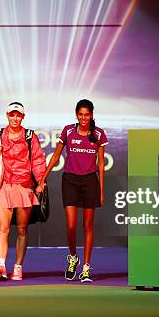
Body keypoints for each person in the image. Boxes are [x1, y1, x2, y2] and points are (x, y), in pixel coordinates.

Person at [39, 99, 108, 283]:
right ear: (76, 115)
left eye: (87, 114)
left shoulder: (99, 134)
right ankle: (73, 258)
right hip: (70, 180)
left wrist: (101, 190)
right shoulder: (68, 130)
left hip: (90, 182)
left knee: (88, 226)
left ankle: (85, 268)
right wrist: (43, 178)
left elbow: (101, 163)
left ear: (91, 115)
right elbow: (55, 155)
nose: (83, 118)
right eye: (80, 114)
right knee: (70, 225)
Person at [0, 102, 46, 281]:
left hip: (24, 187)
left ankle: (18, 266)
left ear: (23, 117)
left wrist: (40, 182)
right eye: (12, 115)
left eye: (18, 115)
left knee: (22, 229)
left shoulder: (30, 136)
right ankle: (1, 266)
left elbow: (38, 160)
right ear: (7, 115)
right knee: (3, 229)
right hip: (3, 187)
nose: (15, 118)